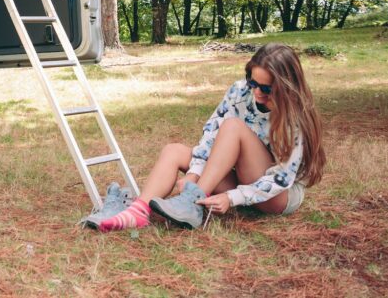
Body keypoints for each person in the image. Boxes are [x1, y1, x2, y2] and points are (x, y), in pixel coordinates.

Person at [88, 43, 326, 231]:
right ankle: (138, 211)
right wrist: (193, 174)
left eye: (266, 88)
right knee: (175, 151)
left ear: (286, 87)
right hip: (240, 178)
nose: (256, 92)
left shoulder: (296, 116)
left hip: (276, 197)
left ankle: (191, 202)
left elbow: (281, 180)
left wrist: (232, 198)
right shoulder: (239, 91)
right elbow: (211, 137)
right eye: (252, 83)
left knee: (233, 127)